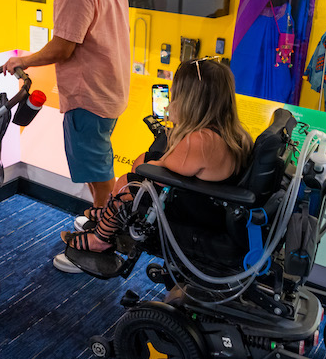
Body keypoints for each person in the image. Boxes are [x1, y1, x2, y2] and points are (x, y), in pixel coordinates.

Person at [2, 0, 129, 272]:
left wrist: (22, 59)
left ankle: (99, 247)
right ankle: (100, 225)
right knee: (97, 166)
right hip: (111, 87)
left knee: (99, 174)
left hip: (89, 94)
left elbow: (64, 47)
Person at [60, 58, 254, 253]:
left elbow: (158, 170)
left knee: (128, 181)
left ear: (188, 99)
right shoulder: (231, 132)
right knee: (144, 160)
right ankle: (111, 211)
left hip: (197, 212)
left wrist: (176, 124)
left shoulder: (200, 140)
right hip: (210, 203)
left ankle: (101, 239)